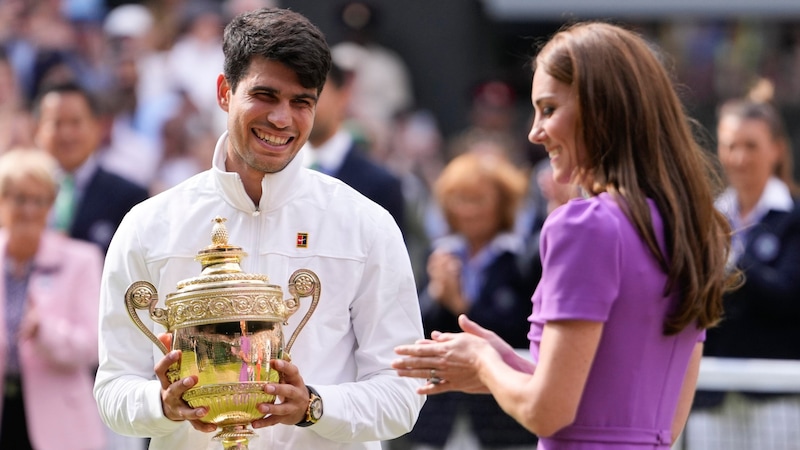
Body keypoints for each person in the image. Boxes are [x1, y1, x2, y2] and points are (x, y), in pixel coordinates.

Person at [393, 21, 738, 449]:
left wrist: (483, 361)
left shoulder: (585, 225)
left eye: (550, 109)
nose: (535, 132)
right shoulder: (689, 225)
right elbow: (651, 416)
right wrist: (506, 366)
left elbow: (549, 412)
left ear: (601, 108)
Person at [93, 7, 425, 450]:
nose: (282, 119)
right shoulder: (150, 225)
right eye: (265, 95)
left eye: (301, 102)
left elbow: (404, 393)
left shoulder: (365, 224)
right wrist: (162, 403)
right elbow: (113, 388)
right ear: (224, 92)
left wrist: (313, 406)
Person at [686, 81, 800, 450]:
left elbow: (787, 297)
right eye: (731, 145)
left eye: (751, 145)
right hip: (710, 395)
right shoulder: (707, 220)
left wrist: (731, 260)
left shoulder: (794, 219)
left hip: (777, 398)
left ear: (777, 150)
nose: (739, 157)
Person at [407, 151, 538, 449]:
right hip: (442, 418)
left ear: (502, 203)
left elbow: (523, 333)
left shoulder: (521, 260)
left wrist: (464, 308)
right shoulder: (440, 255)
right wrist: (437, 296)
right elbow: (417, 329)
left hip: (504, 419)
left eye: (478, 200)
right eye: (459, 199)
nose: (467, 210)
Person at [0, 148, 106, 450]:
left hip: (59, 423)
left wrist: (44, 332)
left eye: (40, 200)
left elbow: (94, 346)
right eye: (20, 198)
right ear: (2, 200)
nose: (30, 210)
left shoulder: (81, 260)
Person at [31, 81, 150, 254]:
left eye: (75, 122)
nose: (66, 134)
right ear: (37, 130)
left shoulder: (129, 198)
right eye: (56, 123)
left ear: (97, 127)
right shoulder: (18, 194)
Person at [302, 60, 406, 235]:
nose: (304, 105)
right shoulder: (276, 172)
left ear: (343, 96)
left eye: (315, 95)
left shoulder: (381, 184)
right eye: (297, 97)